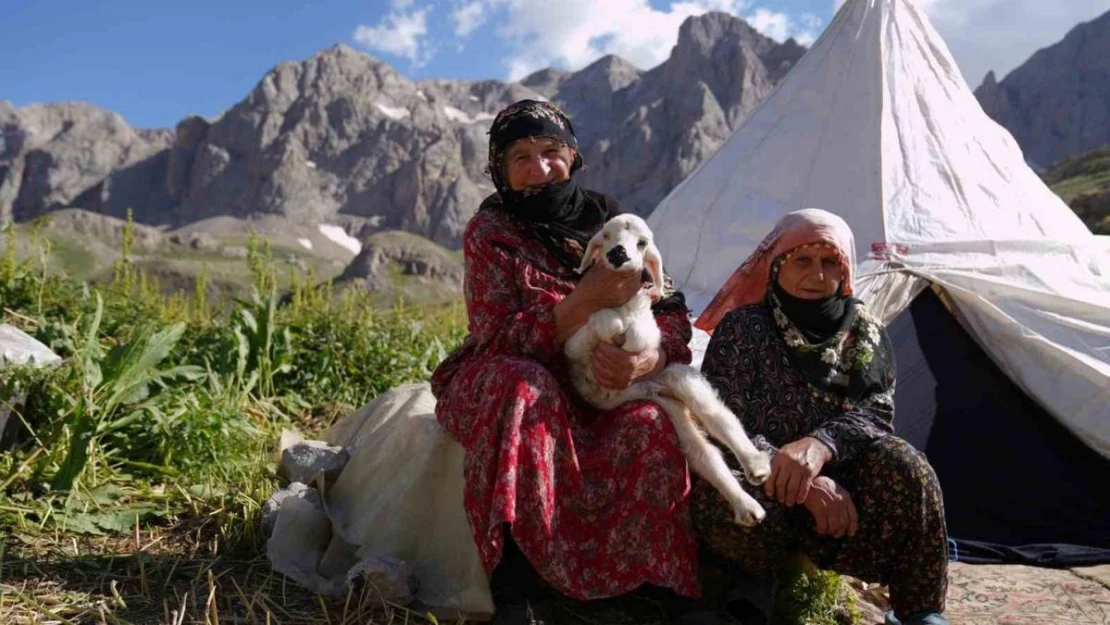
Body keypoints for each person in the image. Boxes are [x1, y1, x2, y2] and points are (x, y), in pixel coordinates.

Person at [430, 99, 702, 621]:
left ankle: (643, 586)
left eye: (551, 152)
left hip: (598, 387)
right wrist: (581, 304)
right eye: (520, 158)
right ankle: (519, 584)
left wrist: (648, 359)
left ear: (573, 157)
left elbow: (671, 313)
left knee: (648, 420)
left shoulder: (613, 227)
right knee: (526, 386)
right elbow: (493, 338)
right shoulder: (491, 234)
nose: (539, 169)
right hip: (509, 377)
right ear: (499, 171)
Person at [690, 209, 950, 625]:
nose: (816, 273)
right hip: (760, 476)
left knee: (908, 467)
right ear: (776, 266)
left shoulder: (863, 329)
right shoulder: (743, 327)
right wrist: (797, 479)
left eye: (830, 261)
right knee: (716, 488)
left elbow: (876, 412)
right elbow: (721, 421)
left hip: (839, 488)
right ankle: (752, 585)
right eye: (802, 260)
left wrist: (820, 447)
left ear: (844, 269)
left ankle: (919, 610)